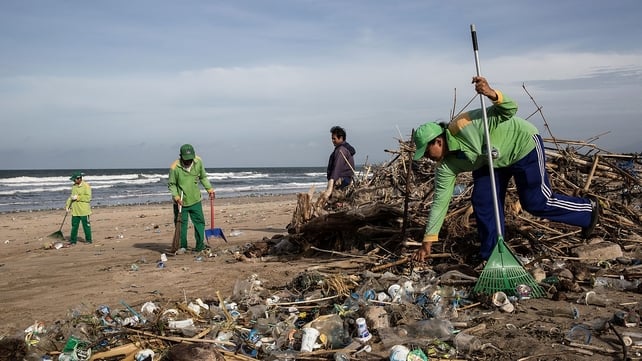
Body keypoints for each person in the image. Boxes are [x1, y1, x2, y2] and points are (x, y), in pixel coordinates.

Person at [411, 76, 600, 263]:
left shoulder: (465, 124)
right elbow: (440, 202)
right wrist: (427, 242)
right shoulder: (445, 165)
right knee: (484, 201)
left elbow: (509, 109)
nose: (427, 158)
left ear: (438, 141)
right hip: (492, 162)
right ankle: (493, 254)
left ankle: (586, 209)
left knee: (535, 201)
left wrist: (491, 94)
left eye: (427, 152)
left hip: (522, 145)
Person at [168, 144, 215, 253]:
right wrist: (176, 197)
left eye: (190, 159)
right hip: (181, 201)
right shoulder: (175, 167)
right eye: (186, 160)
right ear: (181, 156)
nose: (189, 162)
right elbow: (172, 184)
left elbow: (203, 177)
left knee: (199, 222)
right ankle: (182, 246)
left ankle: (199, 246)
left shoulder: (198, 161)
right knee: (181, 225)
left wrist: (210, 189)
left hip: (195, 199)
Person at [320, 126, 356, 204]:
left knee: (334, 201)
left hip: (341, 181)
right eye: (332, 139)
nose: (332, 141)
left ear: (341, 138)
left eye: (334, 138)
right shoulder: (343, 148)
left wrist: (330, 184)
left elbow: (337, 167)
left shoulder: (341, 150)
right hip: (346, 180)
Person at [65, 171, 93, 244]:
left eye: (74, 179)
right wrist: (67, 206)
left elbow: (88, 198)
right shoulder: (74, 186)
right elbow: (71, 197)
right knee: (74, 226)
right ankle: (73, 241)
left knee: (86, 226)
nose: (74, 181)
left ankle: (89, 240)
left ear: (79, 178)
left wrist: (78, 197)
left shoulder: (86, 186)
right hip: (75, 211)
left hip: (84, 211)